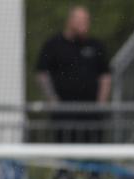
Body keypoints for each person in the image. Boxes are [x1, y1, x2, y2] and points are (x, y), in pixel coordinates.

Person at [35, 6, 111, 156]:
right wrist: (52, 99)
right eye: (81, 20)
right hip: (64, 112)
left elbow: (105, 76)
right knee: (65, 151)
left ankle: (93, 177)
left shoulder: (95, 45)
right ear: (70, 21)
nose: (85, 24)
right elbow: (42, 73)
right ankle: (64, 175)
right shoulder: (53, 45)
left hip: (91, 113)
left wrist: (101, 104)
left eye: (87, 20)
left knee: (93, 152)